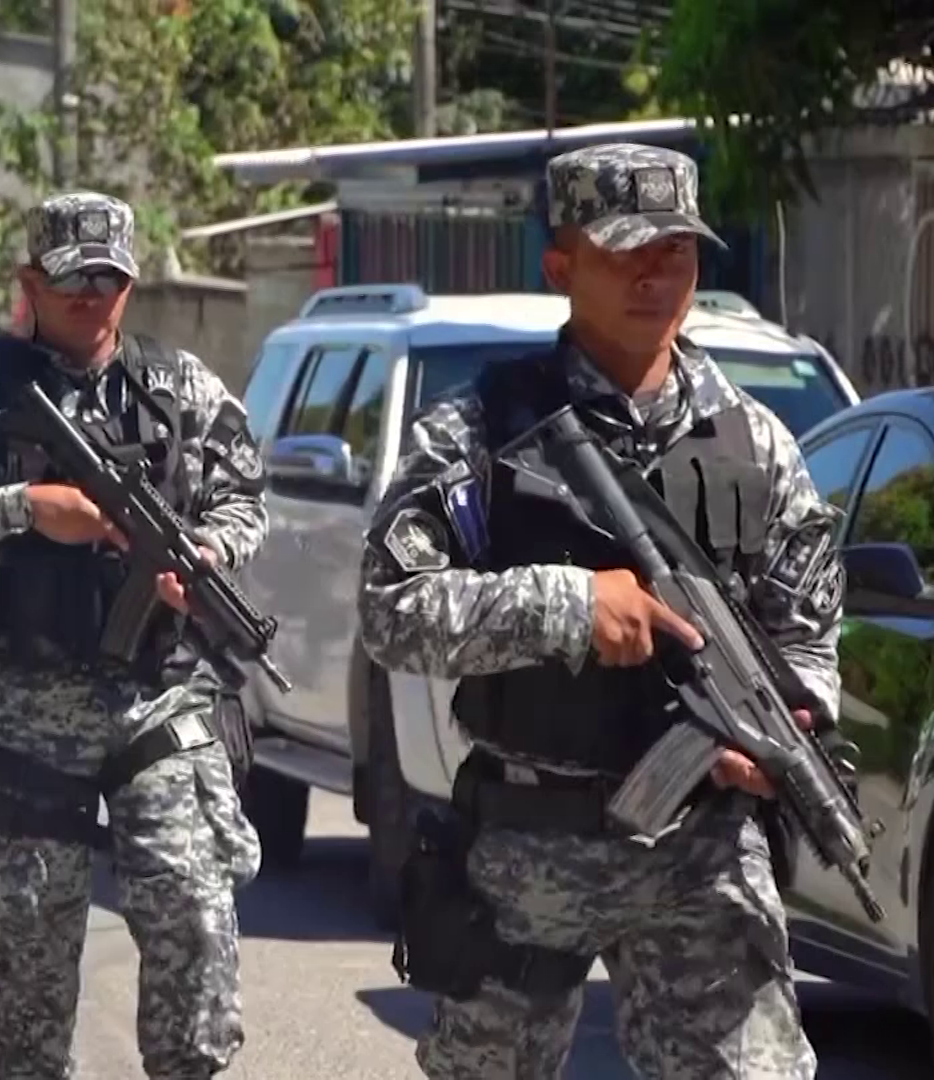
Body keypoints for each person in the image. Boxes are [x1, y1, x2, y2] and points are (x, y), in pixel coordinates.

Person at [357, 143, 856, 1080]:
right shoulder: (480, 431)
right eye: (625, 249)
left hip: (703, 852)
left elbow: (807, 628)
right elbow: (389, 608)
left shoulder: (759, 444)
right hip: (528, 845)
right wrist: (569, 604)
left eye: (675, 249)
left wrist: (791, 718)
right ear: (560, 268)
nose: (654, 272)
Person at [0, 191, 266, 1080]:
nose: (90, 295)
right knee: (31, 954)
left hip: (157, 691)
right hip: (25, 702)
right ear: (29, 283)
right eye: (70, 279)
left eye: (108, 278)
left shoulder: (182, 387)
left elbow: (247, 496)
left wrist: (206, 548)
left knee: (195, 907)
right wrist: (22, 509)